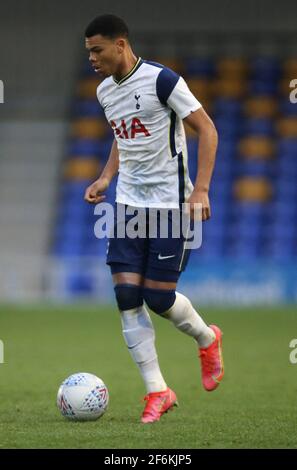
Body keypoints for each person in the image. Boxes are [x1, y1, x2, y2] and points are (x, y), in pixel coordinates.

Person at [84, 14, 224, 424]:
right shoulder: (105, 91)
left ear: (121, 45)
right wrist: (107, 176)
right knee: (127, 296)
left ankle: (206, 337)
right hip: (128, 206)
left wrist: (201, 189)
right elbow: (121, 135)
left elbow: (208, 129)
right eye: (88, 52)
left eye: (97, 50)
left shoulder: (163, 81)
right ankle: (158, 391)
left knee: (159, 299)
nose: (92, 59)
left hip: (170, 206)